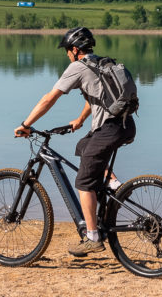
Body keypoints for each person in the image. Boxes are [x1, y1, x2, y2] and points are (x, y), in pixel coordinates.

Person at [15, 26, 136, 256]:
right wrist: (80, 119)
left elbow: (49, 98)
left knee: (83, 183)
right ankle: (113, 184)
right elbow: (98, 96)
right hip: (126, 125)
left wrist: (26, 124)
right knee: (83, 147)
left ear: (74, 50)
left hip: (108, 129)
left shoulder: (78, 67)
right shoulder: (101, 63)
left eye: (66, 51)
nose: (66, 55)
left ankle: (92, 237)